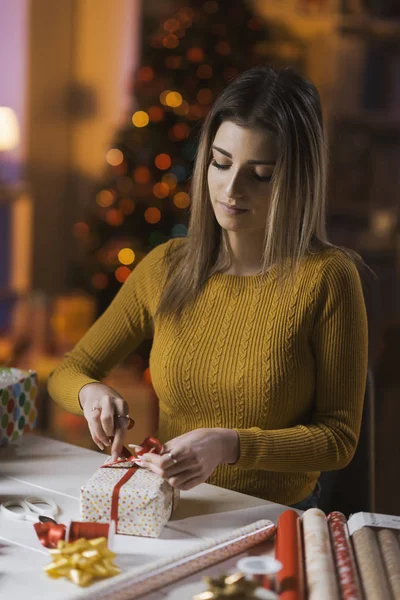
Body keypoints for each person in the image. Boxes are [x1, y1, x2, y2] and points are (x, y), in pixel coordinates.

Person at [48, 65, 368, 510]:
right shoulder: (165, 266)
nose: (231, 189)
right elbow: (67, 371)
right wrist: (91, 393)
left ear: (297, 180)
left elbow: (338, 440)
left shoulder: (328, 279)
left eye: (261, 174)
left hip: (276, 519)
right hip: (176, 511)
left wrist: (230, 445)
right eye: (220, 163)